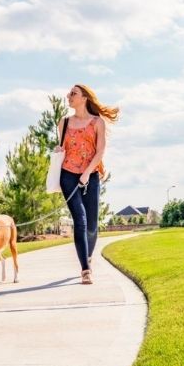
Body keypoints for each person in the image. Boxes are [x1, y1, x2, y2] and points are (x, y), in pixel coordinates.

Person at [57, 84, 119, 285]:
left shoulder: (97, 122)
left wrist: (85, 173)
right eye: (69, 94)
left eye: (73, 94)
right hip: (67, 176)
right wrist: (58, 151)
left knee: (92, 226)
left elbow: (100, 151)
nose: (69, 96)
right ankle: (85, 269)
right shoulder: (64, 122)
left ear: (84, 98)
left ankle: (88, 256)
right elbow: (64, 149)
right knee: (80, 221)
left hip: (90, 175)